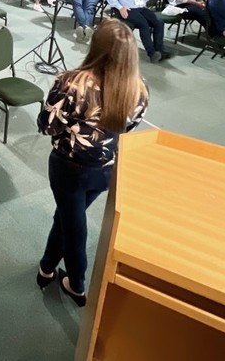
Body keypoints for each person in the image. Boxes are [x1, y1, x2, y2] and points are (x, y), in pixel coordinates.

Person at [35, 19, 148, 306]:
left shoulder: (71, 83)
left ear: (96, 47)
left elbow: (47, 126)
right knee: (67, 216)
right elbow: (128, 127)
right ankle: (47, 267)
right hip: (106, 170)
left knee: (73, 224)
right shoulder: (139, 89)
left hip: (69, 168)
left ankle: (77, 283)